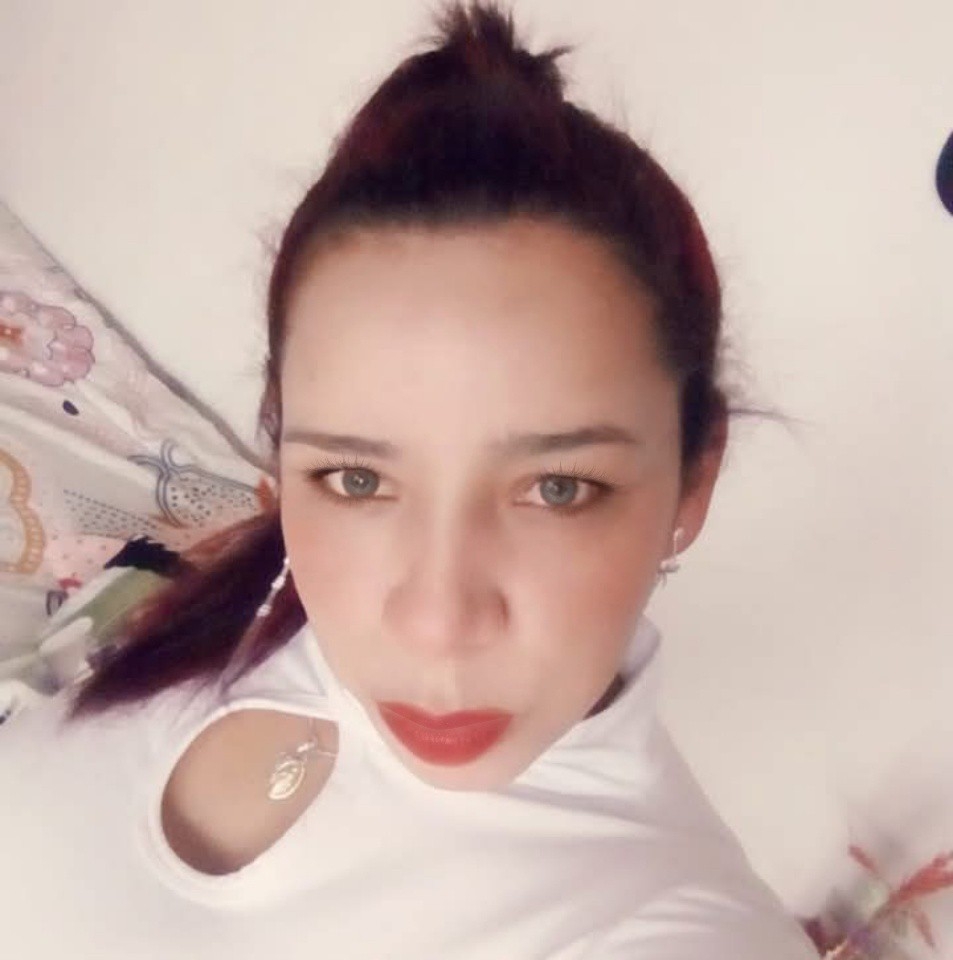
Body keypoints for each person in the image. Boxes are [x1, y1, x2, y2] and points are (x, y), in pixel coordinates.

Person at [0, 3, 819, 957]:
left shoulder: (673, 927)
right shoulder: (242, 605)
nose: (435, 622)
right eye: (356, 478)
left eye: (556, 488)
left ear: (691, 480)